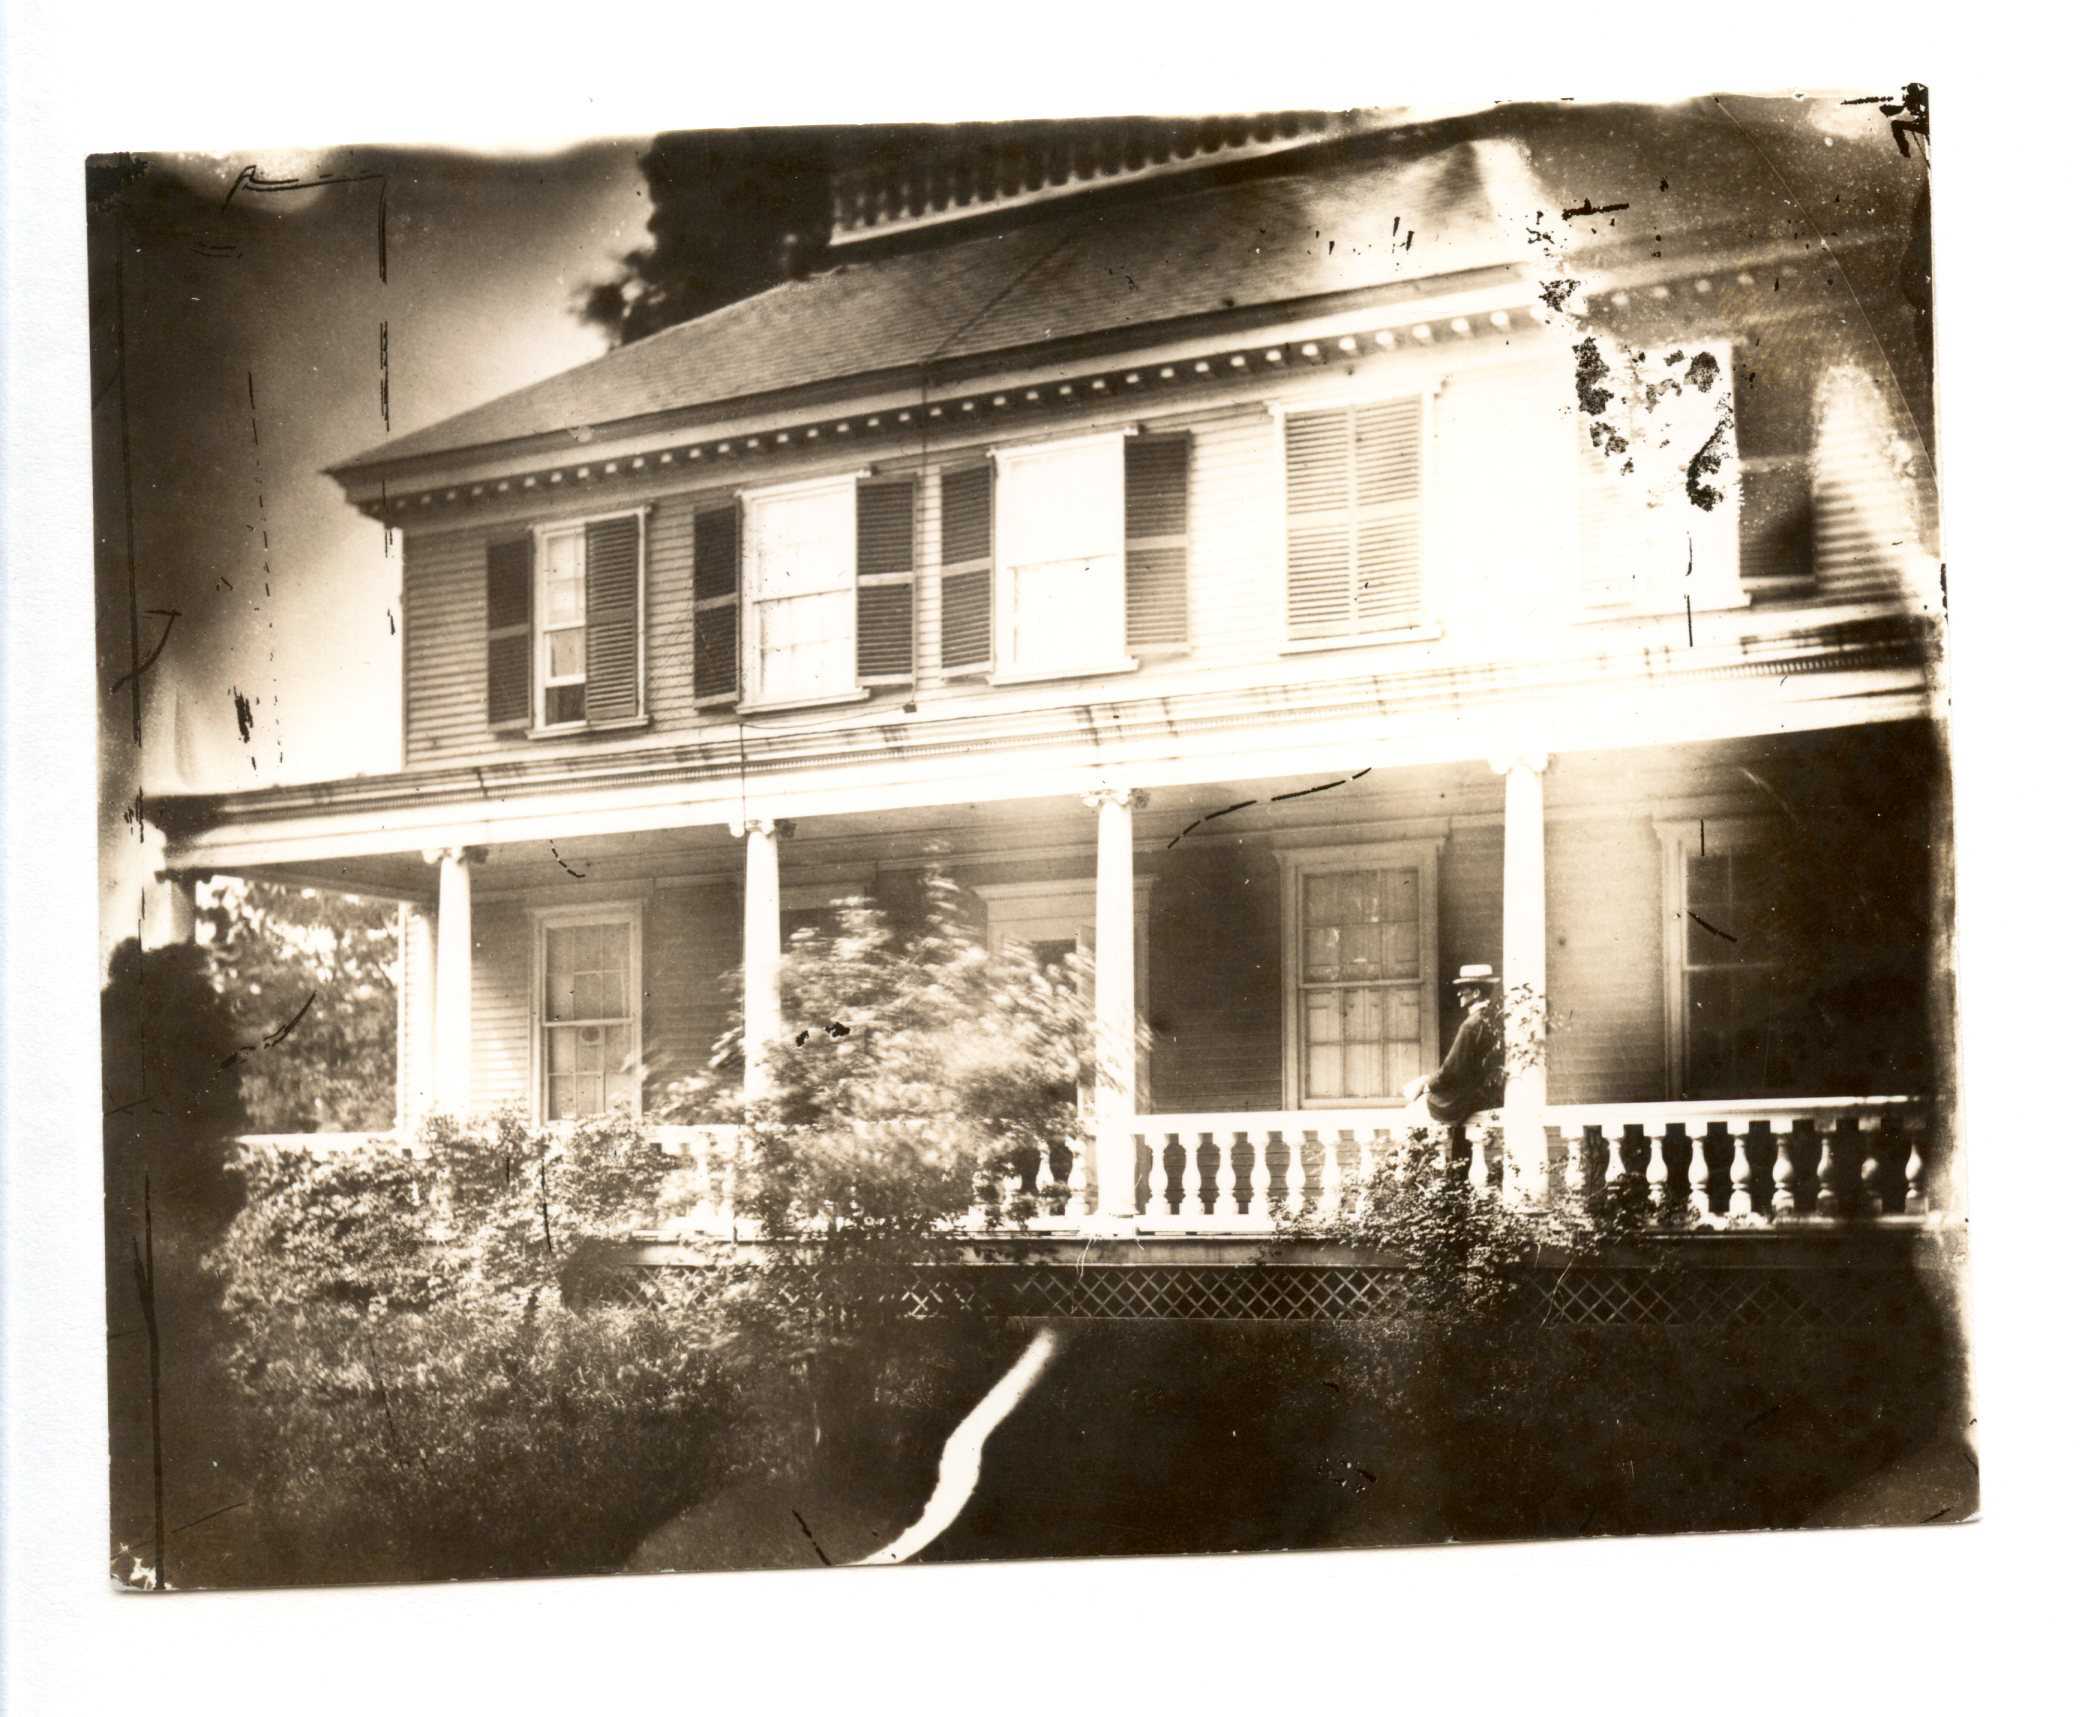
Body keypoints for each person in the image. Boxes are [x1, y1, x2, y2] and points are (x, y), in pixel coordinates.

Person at [1404, 964, 1505, 1125]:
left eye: (1463, 989)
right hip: (1485, 1094)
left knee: (1410, 1116)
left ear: (1476, 993)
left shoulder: (1471, 1025)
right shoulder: (1492, 1018)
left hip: (1463, 1098)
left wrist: (1428, 1085)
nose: (1459, 994)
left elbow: (1452, 1068)